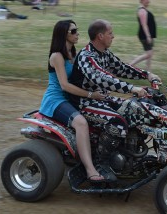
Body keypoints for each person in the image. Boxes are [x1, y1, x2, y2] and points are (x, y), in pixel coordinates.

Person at [68, 19, 161, 180]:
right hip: (83, 103)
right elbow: (104, 79)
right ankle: (101, 163)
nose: (114, 36)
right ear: (100, 36)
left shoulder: (104, 53)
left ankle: (131, 152)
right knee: (117, 123)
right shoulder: (86, 57)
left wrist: (147, 75)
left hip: (102, 99)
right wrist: (132, 88)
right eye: (111, 33)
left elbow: (122, 68)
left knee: (139, 109)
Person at [39, 20, 107, 182]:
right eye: (74, 31)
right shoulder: (57, 56)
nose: (77, 33)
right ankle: (90, 170)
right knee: (81, 123)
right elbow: (65, 85)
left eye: (77, 30)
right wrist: (91, 95)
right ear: (64, 34)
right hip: (56, 101)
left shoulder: (75, 55)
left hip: (72, 99)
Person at [130, 0, 156, 72]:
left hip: (148, 35)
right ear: (142, 1)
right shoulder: (142, 11)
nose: (149, 1)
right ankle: (130, 65)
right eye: (146, 0)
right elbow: (144, 25)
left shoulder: (144, 10)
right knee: (148, 54)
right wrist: (148, 36)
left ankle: (149, 71)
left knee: (150, 54)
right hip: (145, 35)